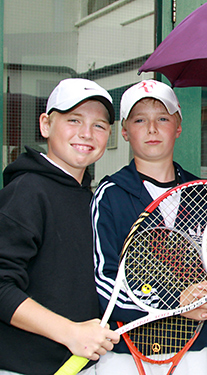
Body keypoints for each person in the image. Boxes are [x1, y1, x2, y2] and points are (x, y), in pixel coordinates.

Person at [92, 80, 207, 374]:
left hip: (194, 349)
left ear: (178, 127)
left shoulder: (205, 194)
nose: (152, 129)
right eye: (140, 119)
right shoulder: (110, 194)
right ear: (124, 131)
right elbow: (102, 280)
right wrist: (173, 305)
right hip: (125, 351)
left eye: (163, 119)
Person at [0, 78, 119, 375]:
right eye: (74, 120)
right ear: (45, 125)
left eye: (99, 126)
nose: (86, 134)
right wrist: (70, 332)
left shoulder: (89, 199)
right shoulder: (26, 191)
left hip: (78, 366)